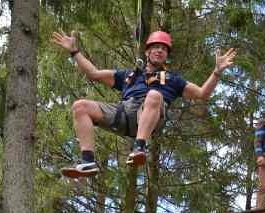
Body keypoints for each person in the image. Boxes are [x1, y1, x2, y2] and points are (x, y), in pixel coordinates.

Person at [51, 29, 237, 174]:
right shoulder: (130, 75)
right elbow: (93, 73)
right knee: (80, 106)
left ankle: (139, 148)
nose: (159, 51)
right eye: (156, 47)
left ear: (167, 55)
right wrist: (74, 52)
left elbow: (202, 94)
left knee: (154, 95)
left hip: (150, 116)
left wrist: (217, 72)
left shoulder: (173, 79)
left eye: (163, 49)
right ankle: (88, 161)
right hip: (125, 113)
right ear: (147, 51)